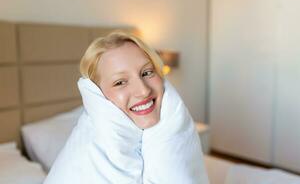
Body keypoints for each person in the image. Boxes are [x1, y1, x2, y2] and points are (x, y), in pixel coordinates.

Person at [44, 31, 209, 184]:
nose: (143, 91)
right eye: (120, 82)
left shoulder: (171, 125)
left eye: (147, 73)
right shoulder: (83, 159)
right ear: (97, 95)